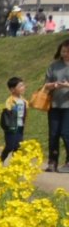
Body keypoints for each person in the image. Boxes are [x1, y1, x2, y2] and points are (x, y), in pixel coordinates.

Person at [45, 39, 69, 171]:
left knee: (66, 133)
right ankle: (52, 161)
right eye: (63, 51)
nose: (65, 54)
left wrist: (67, 85)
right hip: (54, 104)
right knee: (53, 133)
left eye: (68, 51)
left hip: (68, 106)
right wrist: (53, 85)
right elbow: (46, 84)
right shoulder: (54, 66)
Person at [1, 77, 28, 163]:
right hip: (11, 127)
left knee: (18, 147)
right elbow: (7, 113)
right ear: (12, 89)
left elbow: (25, 113)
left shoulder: (24, 101)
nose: (23, 87)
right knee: (10, 146)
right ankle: (0, 161)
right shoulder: (10, 101)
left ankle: (15, 164)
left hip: (20, 127)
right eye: (20, 86)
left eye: (23, 85)